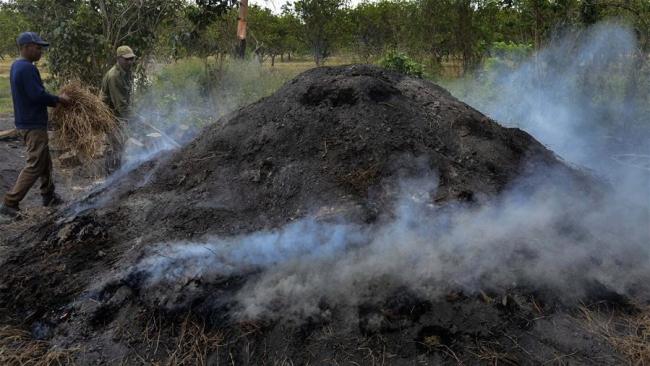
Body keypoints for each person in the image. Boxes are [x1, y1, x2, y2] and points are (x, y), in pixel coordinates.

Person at [0, 32, 71, 219]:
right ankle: (10, 202)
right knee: (35, 164)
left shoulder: (18, 66)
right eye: (37, 48)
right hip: (32, 124)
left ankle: (48, 195)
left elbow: (34, 93)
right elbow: (37, 95)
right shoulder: (26, 69)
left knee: (45, 161)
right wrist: (59, 100)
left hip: (28, 121)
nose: (41, 51)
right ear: (25, 47)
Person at [101, 45, 135, 174]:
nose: (130, 62)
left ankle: (117, 173)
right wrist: (134, 118)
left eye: (131, 59)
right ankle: (111, 177)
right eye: (126, 59)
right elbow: (120, 105)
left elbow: (126, 98)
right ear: (119, 59)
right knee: (115, 145)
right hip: (109, 115)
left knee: (120, 144)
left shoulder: (126, 71)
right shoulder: (114, 76)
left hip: (118, 115)